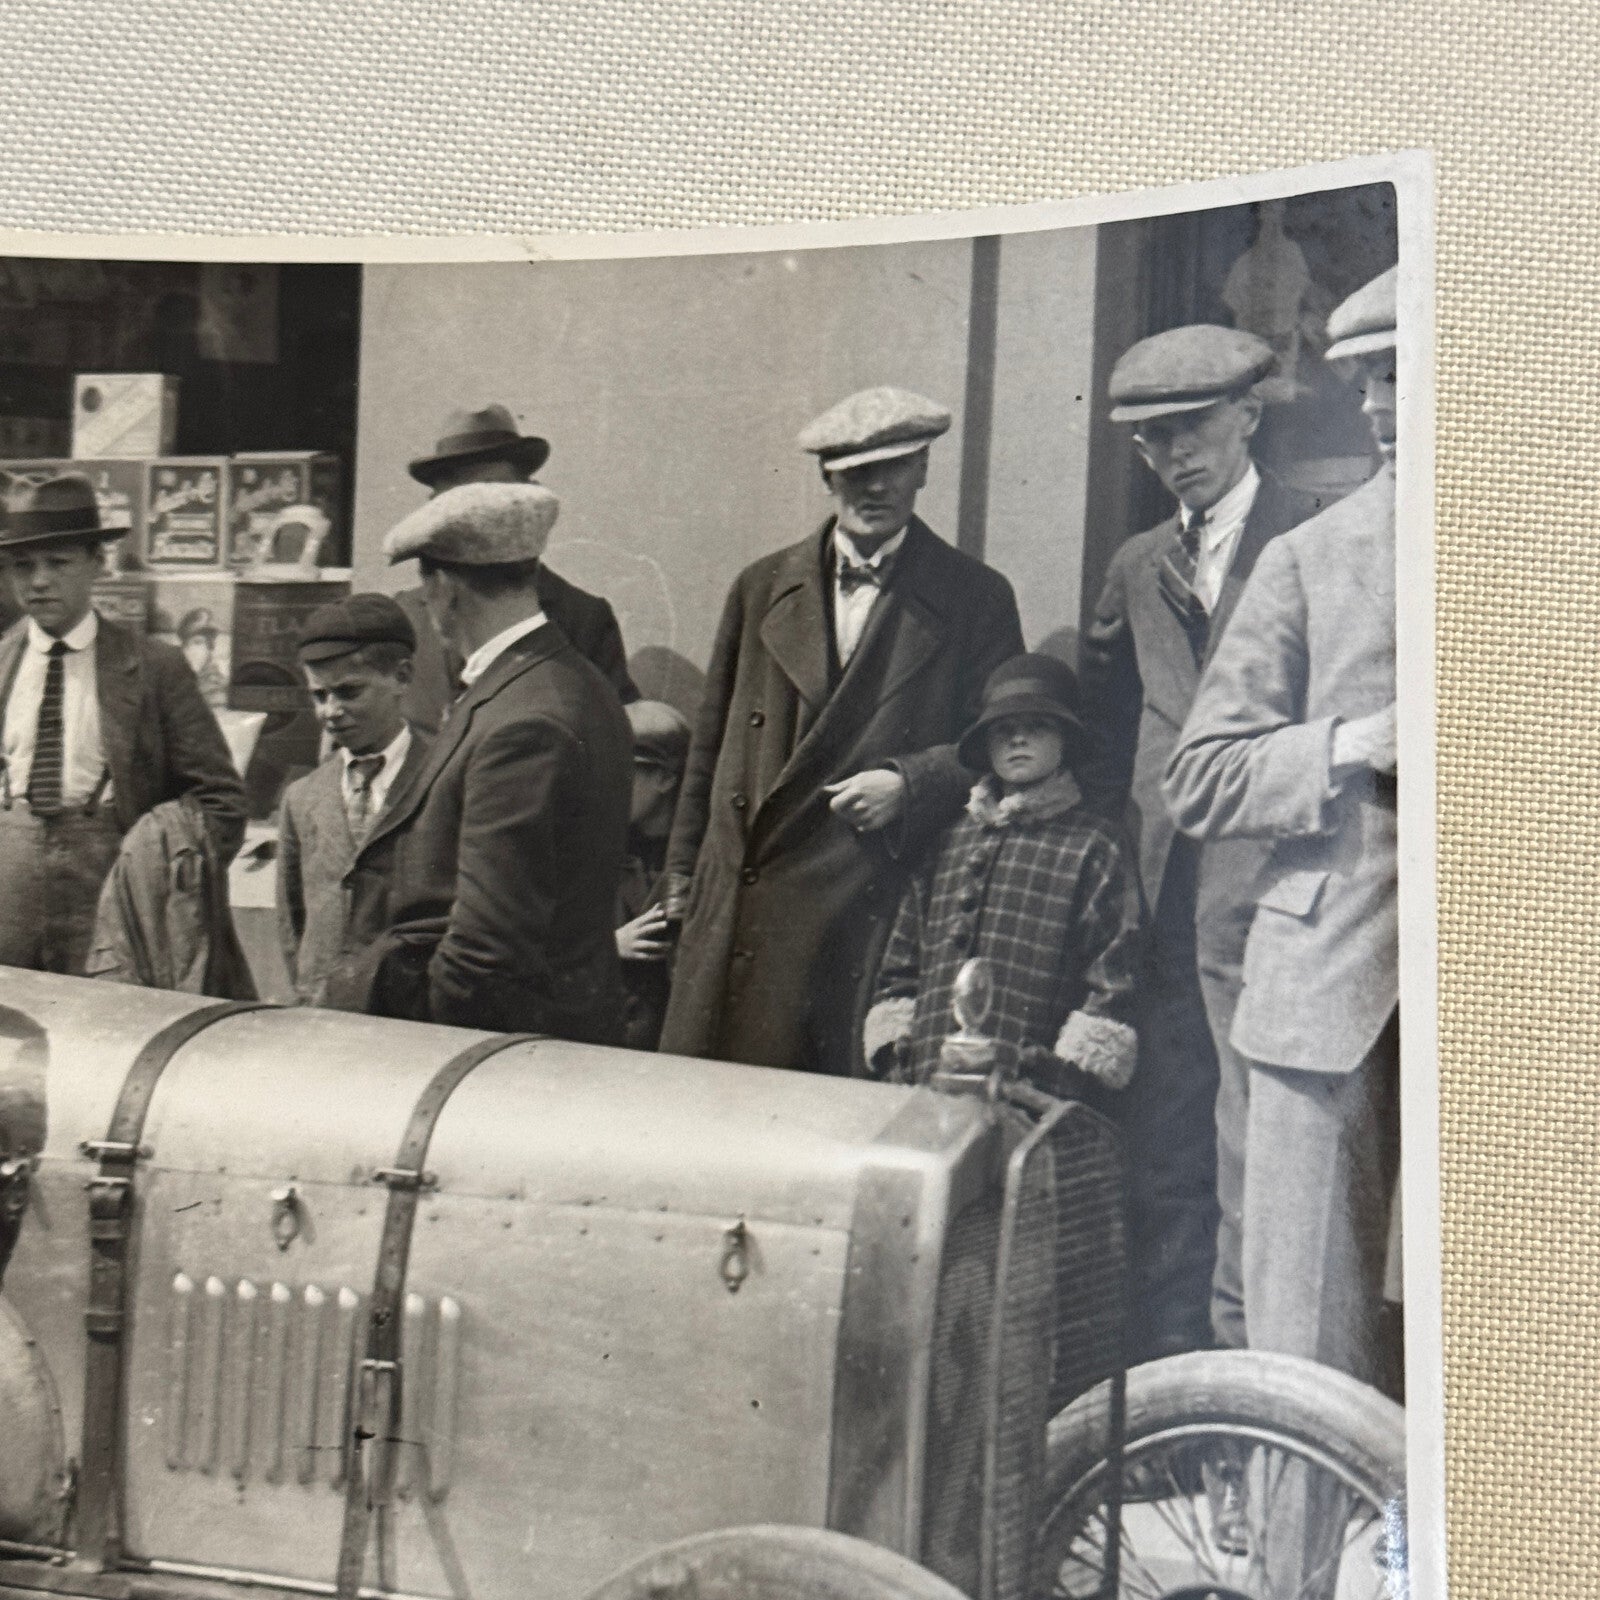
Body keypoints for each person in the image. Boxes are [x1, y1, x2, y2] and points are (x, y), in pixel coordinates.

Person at [1163, 265, 1400, 1392]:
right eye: (1366, 381)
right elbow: (1198, 776)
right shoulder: (1315, 555)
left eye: (1408, 374)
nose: (1381, 408)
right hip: (1327, 992)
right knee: (1301, 1349)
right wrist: (1354, 744)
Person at [1077, 324, 1320, 1360]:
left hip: (1267, 885)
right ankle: (1173, 1374)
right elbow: (1102, 717)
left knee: (1257, 1138)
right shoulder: (1137, 565)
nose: (1174, 454)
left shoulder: (1314, 538)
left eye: (1192, 428)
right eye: (1151, 440)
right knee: (1168, 1136)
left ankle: (1247, 1375)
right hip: (1155, 887)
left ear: (1248, 416)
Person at [659, 385, 1024, 1073]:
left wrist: (911, 782)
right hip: (746, 906)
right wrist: (683, 886)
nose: (875, 486)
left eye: (894, 465)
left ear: (924, 469)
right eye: (854, 470)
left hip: (873, 899)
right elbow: (708, 753)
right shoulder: (761, 586)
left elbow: (1003, 743)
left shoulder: (976, 595)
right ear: (827, 476)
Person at [326, 481, 632, 1041]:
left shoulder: (523, 718)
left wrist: (423, 1043)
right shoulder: (559, 680)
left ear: (442, 589)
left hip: (494, 1052)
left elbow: (487, 947)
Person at [0, 472, 245, 976]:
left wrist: (161, 881)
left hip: (111, 897)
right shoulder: (1, 662)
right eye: (22, 566)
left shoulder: (153, 666)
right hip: (8, 902)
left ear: (98, 564)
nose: (39, 580)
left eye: (59, 563)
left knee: (107, 1037)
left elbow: (222, 801)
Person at [863, 653, 1139, 1097]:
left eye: (1038, 727)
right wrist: (896, 1053)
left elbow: (1112, 976)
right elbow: (902, 963)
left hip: (1030, 1087)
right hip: (926, 1077)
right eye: (1003, 730)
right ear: (986, 746)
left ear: (1066, 740)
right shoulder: (949, 839)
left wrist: (1061, 1076)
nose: (1018, 740)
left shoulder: (1094, 845)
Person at [394, 403, 638, 728]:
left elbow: (610, 734)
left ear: (529, 500)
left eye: (494, 493)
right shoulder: (402, 616)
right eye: (459, 499)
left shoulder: (584, 618)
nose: (478, 513)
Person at [275, 593, 433, 1006]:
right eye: (319, 696)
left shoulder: (444, 776)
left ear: (401, 676)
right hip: (322, 1016)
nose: (330, 711)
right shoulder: (302, 797)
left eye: (349, 692)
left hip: (410, 1015)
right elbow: (294, 924)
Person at [615, 699, 692, 1051]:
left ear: (665, 778)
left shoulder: (701, 860)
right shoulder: (593, 846)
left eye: (623, 770)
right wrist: (609, 946)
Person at [177, 607, 228, 708]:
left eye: (209, 644)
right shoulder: (170, 676)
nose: (205, 651)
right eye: (198, 642)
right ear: (184, 646)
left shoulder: (217, 681)